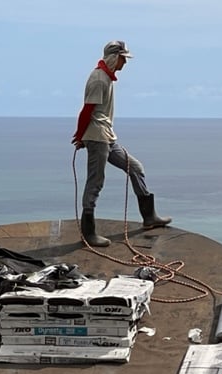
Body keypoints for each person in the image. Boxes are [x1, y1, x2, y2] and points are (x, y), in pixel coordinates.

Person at [71, 40, 171, 247]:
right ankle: (89, 232)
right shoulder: (98, 79)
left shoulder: (107, 78)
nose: (125, 63)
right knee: (95, 181)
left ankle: (149, 217)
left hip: (107, 136)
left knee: (135, 167)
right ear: (114, 57)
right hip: (97, 137)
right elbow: (87, 110)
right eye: (123, 58)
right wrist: (81, 136)